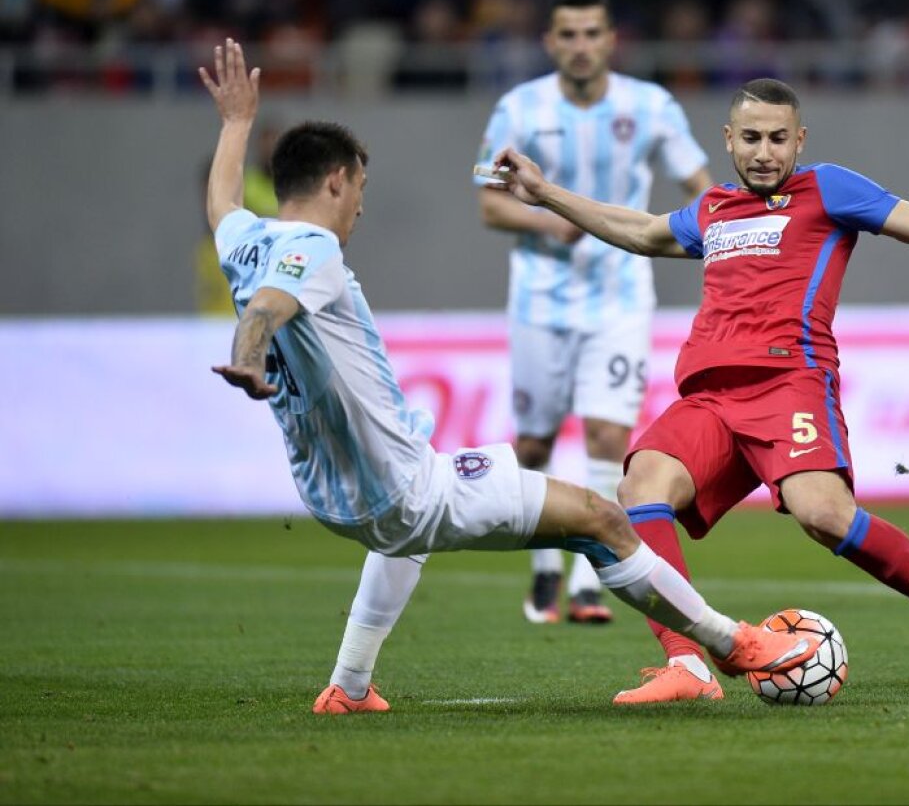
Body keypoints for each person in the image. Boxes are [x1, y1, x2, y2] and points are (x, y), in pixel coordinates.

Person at [199, 40, 816, 714]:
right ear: (338, 182)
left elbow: (221, 205)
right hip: (402, 488)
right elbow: (268, 306)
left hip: (331, 494)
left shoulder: (246, 240)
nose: (362, 211)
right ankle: (731, 645)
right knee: (602, 517)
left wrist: (235, 124)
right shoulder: (312, 247)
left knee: (405, 532)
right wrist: (251, 352)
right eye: (362, 192)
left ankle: (348, 686)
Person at [488, 77, 909, 704]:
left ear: (800, 141)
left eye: (779, 139)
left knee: (824, 515)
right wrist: (545, 194)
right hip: (709, 397)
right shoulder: (712, 208)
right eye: (753, 138)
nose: (766, 152)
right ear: (729, 140)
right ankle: (688, 665)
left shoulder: (829, 190)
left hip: (789, 381)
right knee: (639, 490)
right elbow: (639, 231)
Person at [476, 0, 712, 624]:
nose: (581, 46)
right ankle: (545, 571)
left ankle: (586, 582)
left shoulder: (651, 105)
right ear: (551, 42)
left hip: (620, 296)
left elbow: (703, 186)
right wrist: (546, 222)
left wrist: (734, 228)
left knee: (609, 434)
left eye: (592, 33)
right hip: (540, 301)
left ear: (611, 40)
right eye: (568, 35)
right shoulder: (519, 108)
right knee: (532, 443)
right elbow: (490, 202)